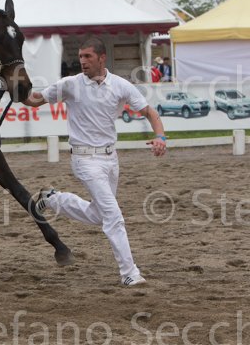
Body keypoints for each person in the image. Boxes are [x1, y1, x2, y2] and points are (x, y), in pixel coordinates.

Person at [22, 36, 167, 287]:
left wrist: (160, 137)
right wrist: (16, 88)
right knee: (113, 216)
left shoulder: (121, 85)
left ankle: (53, 199)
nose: (82, 61)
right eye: (80, 57)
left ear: (102, 58)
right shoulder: (69, 84)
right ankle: (129, 273)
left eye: (88, 56)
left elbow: (149, 112)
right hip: (84, 159)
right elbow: (34, 100)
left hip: (111, 159)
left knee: (98, 215)